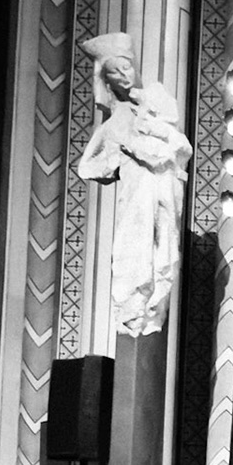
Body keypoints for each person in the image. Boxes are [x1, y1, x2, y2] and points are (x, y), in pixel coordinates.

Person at [76, 32, 193, 337]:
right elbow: (86, 167)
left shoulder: (156, 101)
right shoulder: (113, 124)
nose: (123, 76)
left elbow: (180, 148)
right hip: (134, 200)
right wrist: (122, 151)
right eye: (115, 72)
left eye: (127, 67)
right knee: (134, 263)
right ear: (106, 81)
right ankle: (131, 316)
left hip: (163, 194)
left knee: (163, 260)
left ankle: (151, 314)